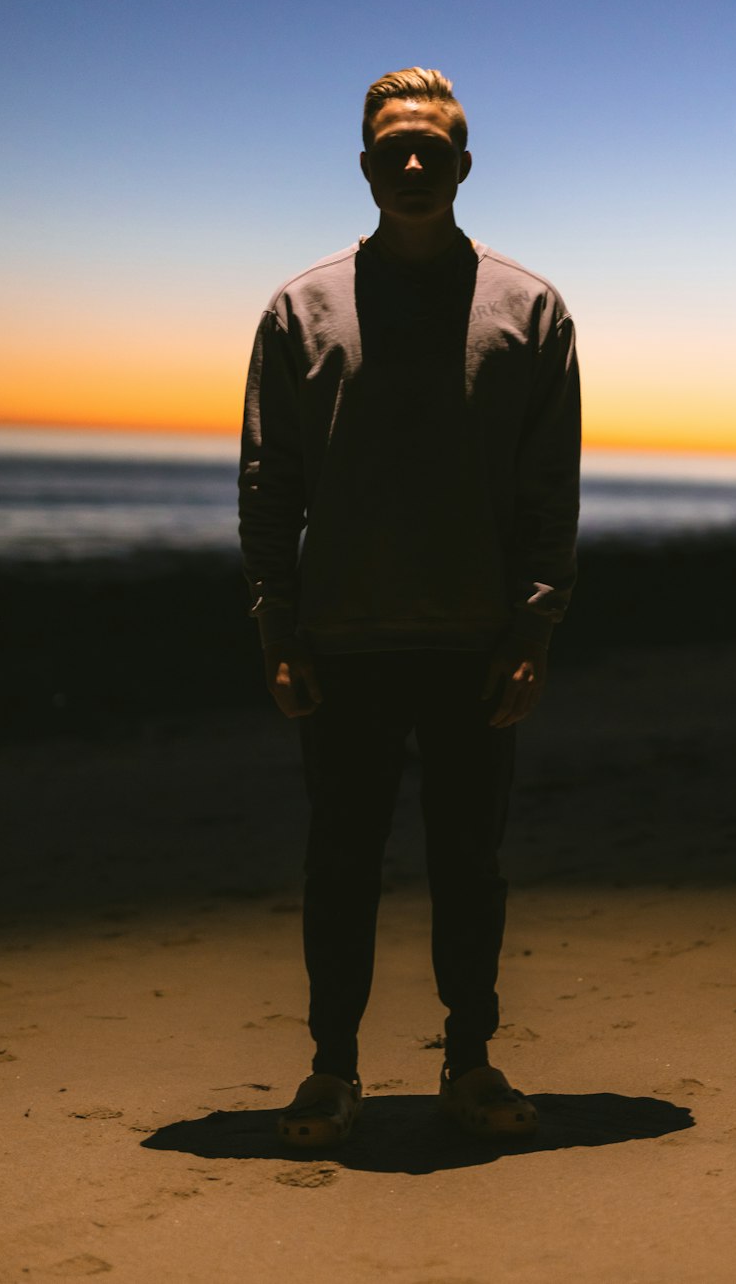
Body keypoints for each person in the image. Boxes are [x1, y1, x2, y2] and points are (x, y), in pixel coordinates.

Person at [238, 67, 580, 1146]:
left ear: (465, 164)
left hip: (474, 640)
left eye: (433, 146)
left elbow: (548, 489)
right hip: (342, 638)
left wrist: (532, 629)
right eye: (395, 148)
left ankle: (468, 1059)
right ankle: (330, 1069)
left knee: (467, 864)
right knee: (339, 861)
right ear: (366, 165)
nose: (416, 163)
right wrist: (274, 621)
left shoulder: (530, 310)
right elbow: (268, 480)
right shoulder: (303, 308)